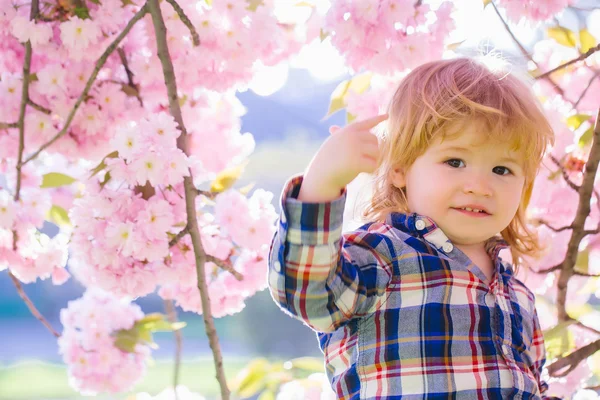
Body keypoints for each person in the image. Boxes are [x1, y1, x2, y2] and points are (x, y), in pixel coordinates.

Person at [267, 57, 561, 399]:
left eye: (502, 169)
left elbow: (532, 385)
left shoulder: (518, 295)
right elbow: (309, 292)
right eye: (455, 162)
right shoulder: (382, 256)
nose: (479, 185)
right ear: (401, 169)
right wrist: (320, 186)